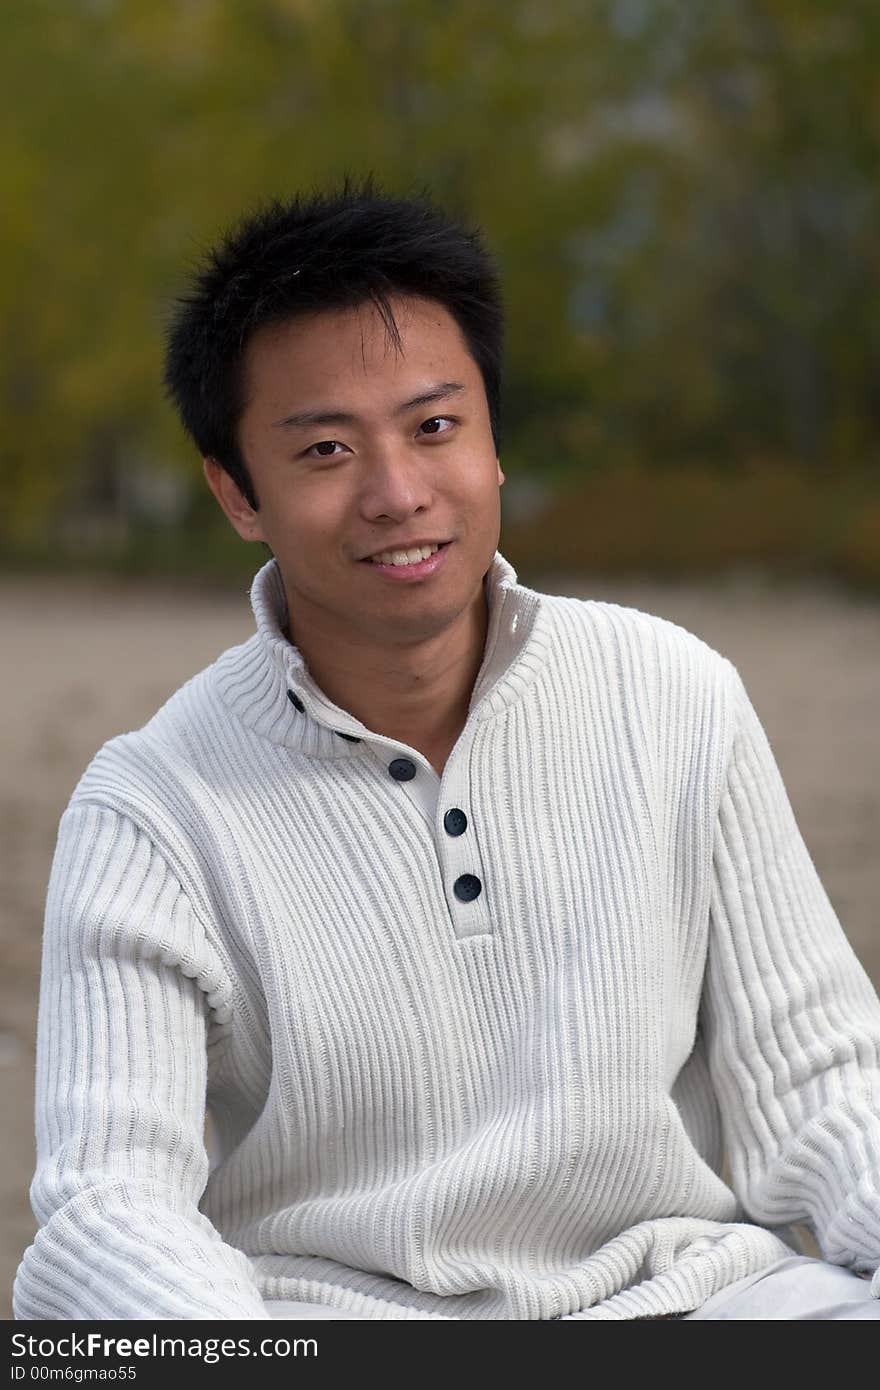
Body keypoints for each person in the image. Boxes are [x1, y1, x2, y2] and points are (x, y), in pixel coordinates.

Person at [14, 176, 880, 1321]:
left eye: (434, 427)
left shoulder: (675, 695)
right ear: (237, 492)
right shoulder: (151, 807)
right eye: (325, 450)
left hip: (692, 1299)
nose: (397, 493)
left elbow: (823, 1082)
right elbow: (108, 1202)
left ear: (492, 441)